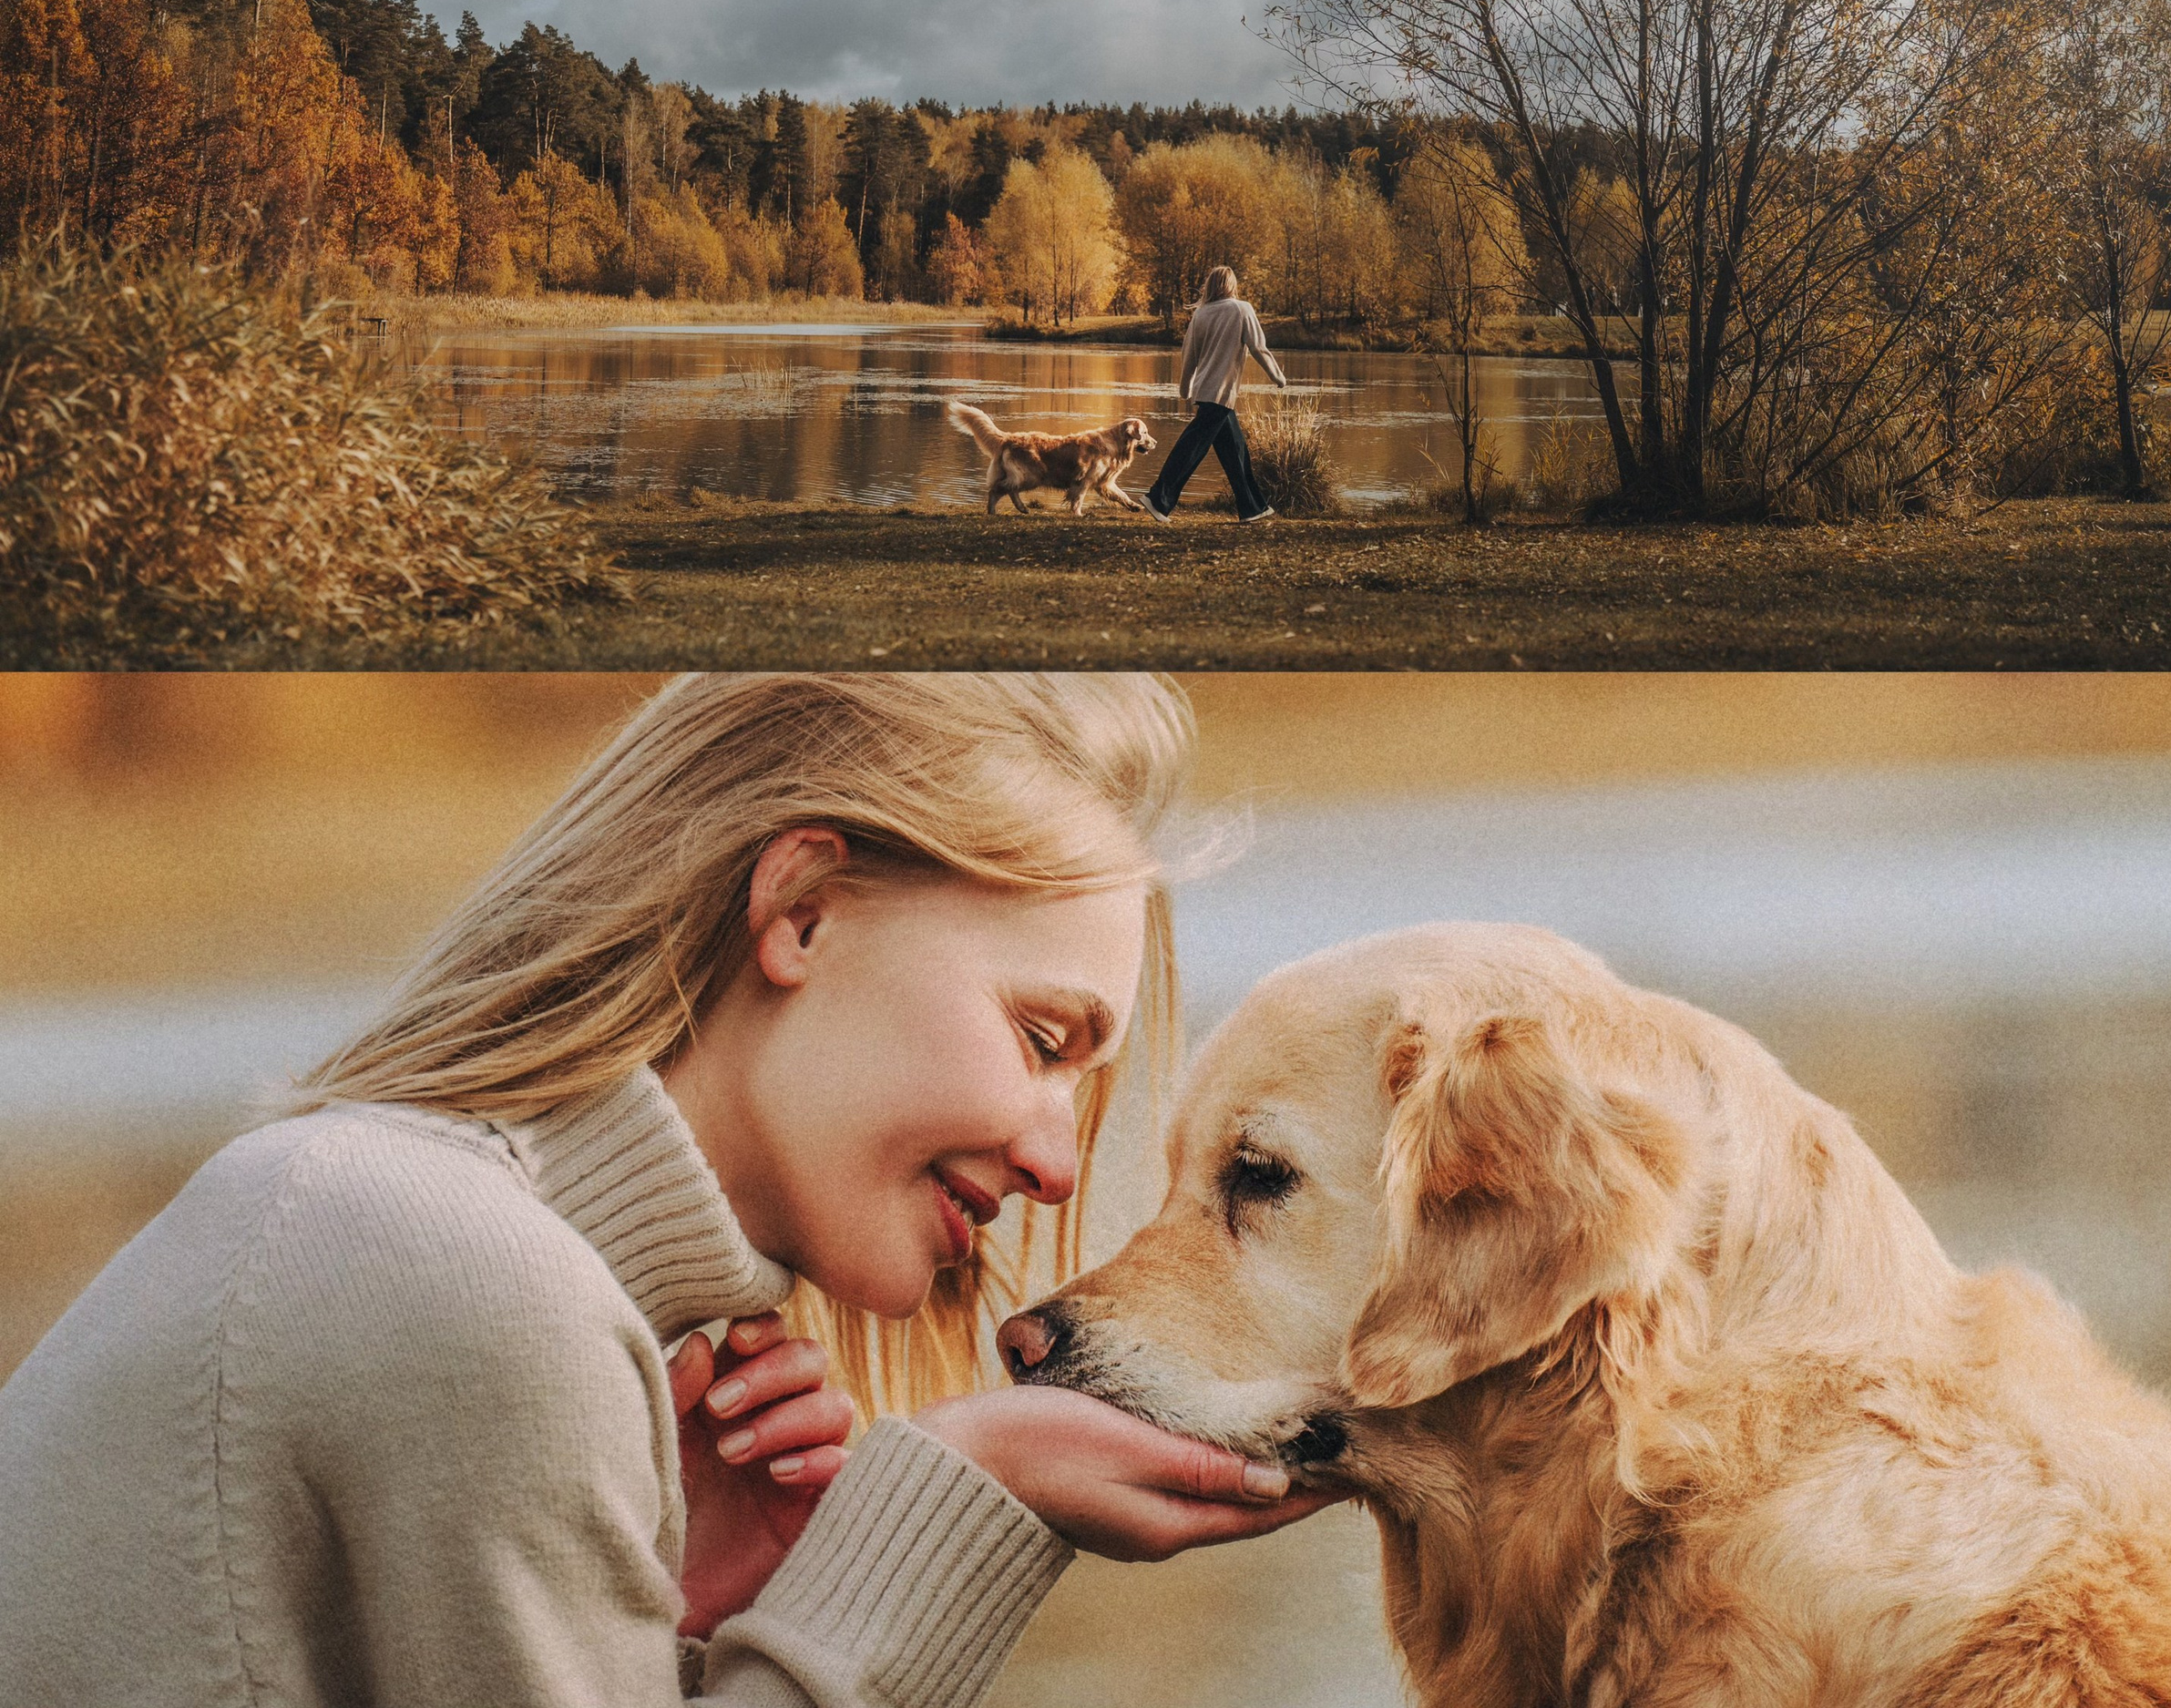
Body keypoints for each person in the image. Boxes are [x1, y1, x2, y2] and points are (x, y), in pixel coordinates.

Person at [0, 673, 1328, 1708]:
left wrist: (693, 1626)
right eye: (1043, 1041)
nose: (1054, 1159)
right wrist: (971, 1482)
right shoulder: (458, 1272)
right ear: (802, 907)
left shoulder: (418, 1229)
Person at [1144, 263, 1286, 524]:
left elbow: (1189, 355)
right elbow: (1259, 347)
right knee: (1191, 449)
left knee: (1236, 452)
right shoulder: (1242, 309)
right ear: (1231, 285)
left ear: (1210, 285)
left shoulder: (1201, 314)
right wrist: (1278, 377)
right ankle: (1158, 500)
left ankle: (1252, 507)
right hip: (1220, 394)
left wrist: (1185, 388)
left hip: (1208, 392)